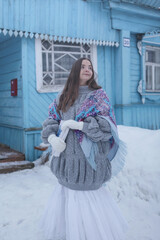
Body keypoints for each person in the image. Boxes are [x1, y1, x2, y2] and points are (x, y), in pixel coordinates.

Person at [41, 58, 128, 240]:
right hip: (66, 157)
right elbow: (52, 119)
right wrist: (51, 137)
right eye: (83, 66)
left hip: (90, 159)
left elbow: (108, 125)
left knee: (88, 200)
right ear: (74, 70)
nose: (88, 69)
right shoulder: (63, 96)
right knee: (69, 194)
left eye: (90, 67)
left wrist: (82, 126)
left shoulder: (99, 96)